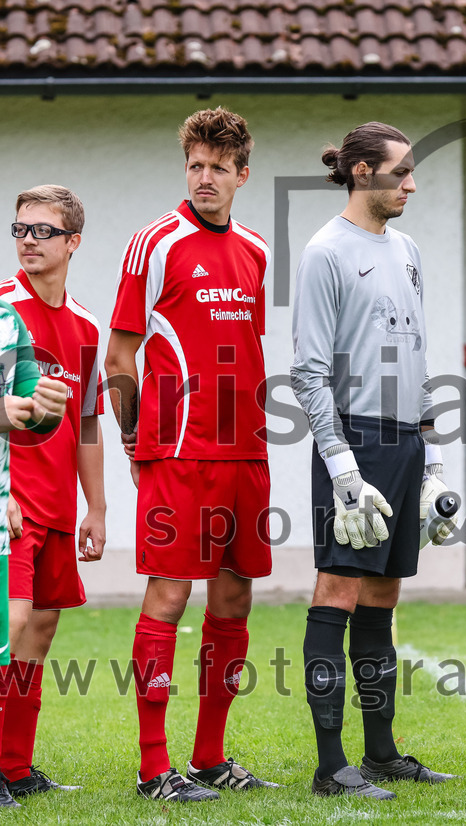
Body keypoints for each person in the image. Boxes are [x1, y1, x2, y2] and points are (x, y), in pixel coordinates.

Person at [104, 108, 278, 802]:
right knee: (170, 597)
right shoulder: (156, 242)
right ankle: (154, 768)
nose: (205, 178)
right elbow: (118, 354)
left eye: (218, 167)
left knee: (234, 598)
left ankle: (209, 758)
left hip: (248, 453)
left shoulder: (258, 250)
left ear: (242, 174)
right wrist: (132, 438)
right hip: (178, 451)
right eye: (195, 165)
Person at [290, 121, 458, 800]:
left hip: (404, 441)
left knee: (384, 597)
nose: (412, 183)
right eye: (401, 172)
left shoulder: (409, 248)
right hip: (353, 443)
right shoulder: (325, 252)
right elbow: (306, 372)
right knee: (338, 590)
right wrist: (342, 466)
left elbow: (416, 356)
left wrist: (435, 461)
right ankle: (332, 767)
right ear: (363, 172)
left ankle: (382, 753)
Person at [0, 186, 104, 801]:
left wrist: (98, 508)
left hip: (59, 506)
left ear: (73, 242)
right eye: (19, 229)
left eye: (42, 231)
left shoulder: (85, 325)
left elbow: (87, 423)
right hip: (7, 503)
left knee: (41, 632)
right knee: (7, 625)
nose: (27, 240)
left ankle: (14, 768)